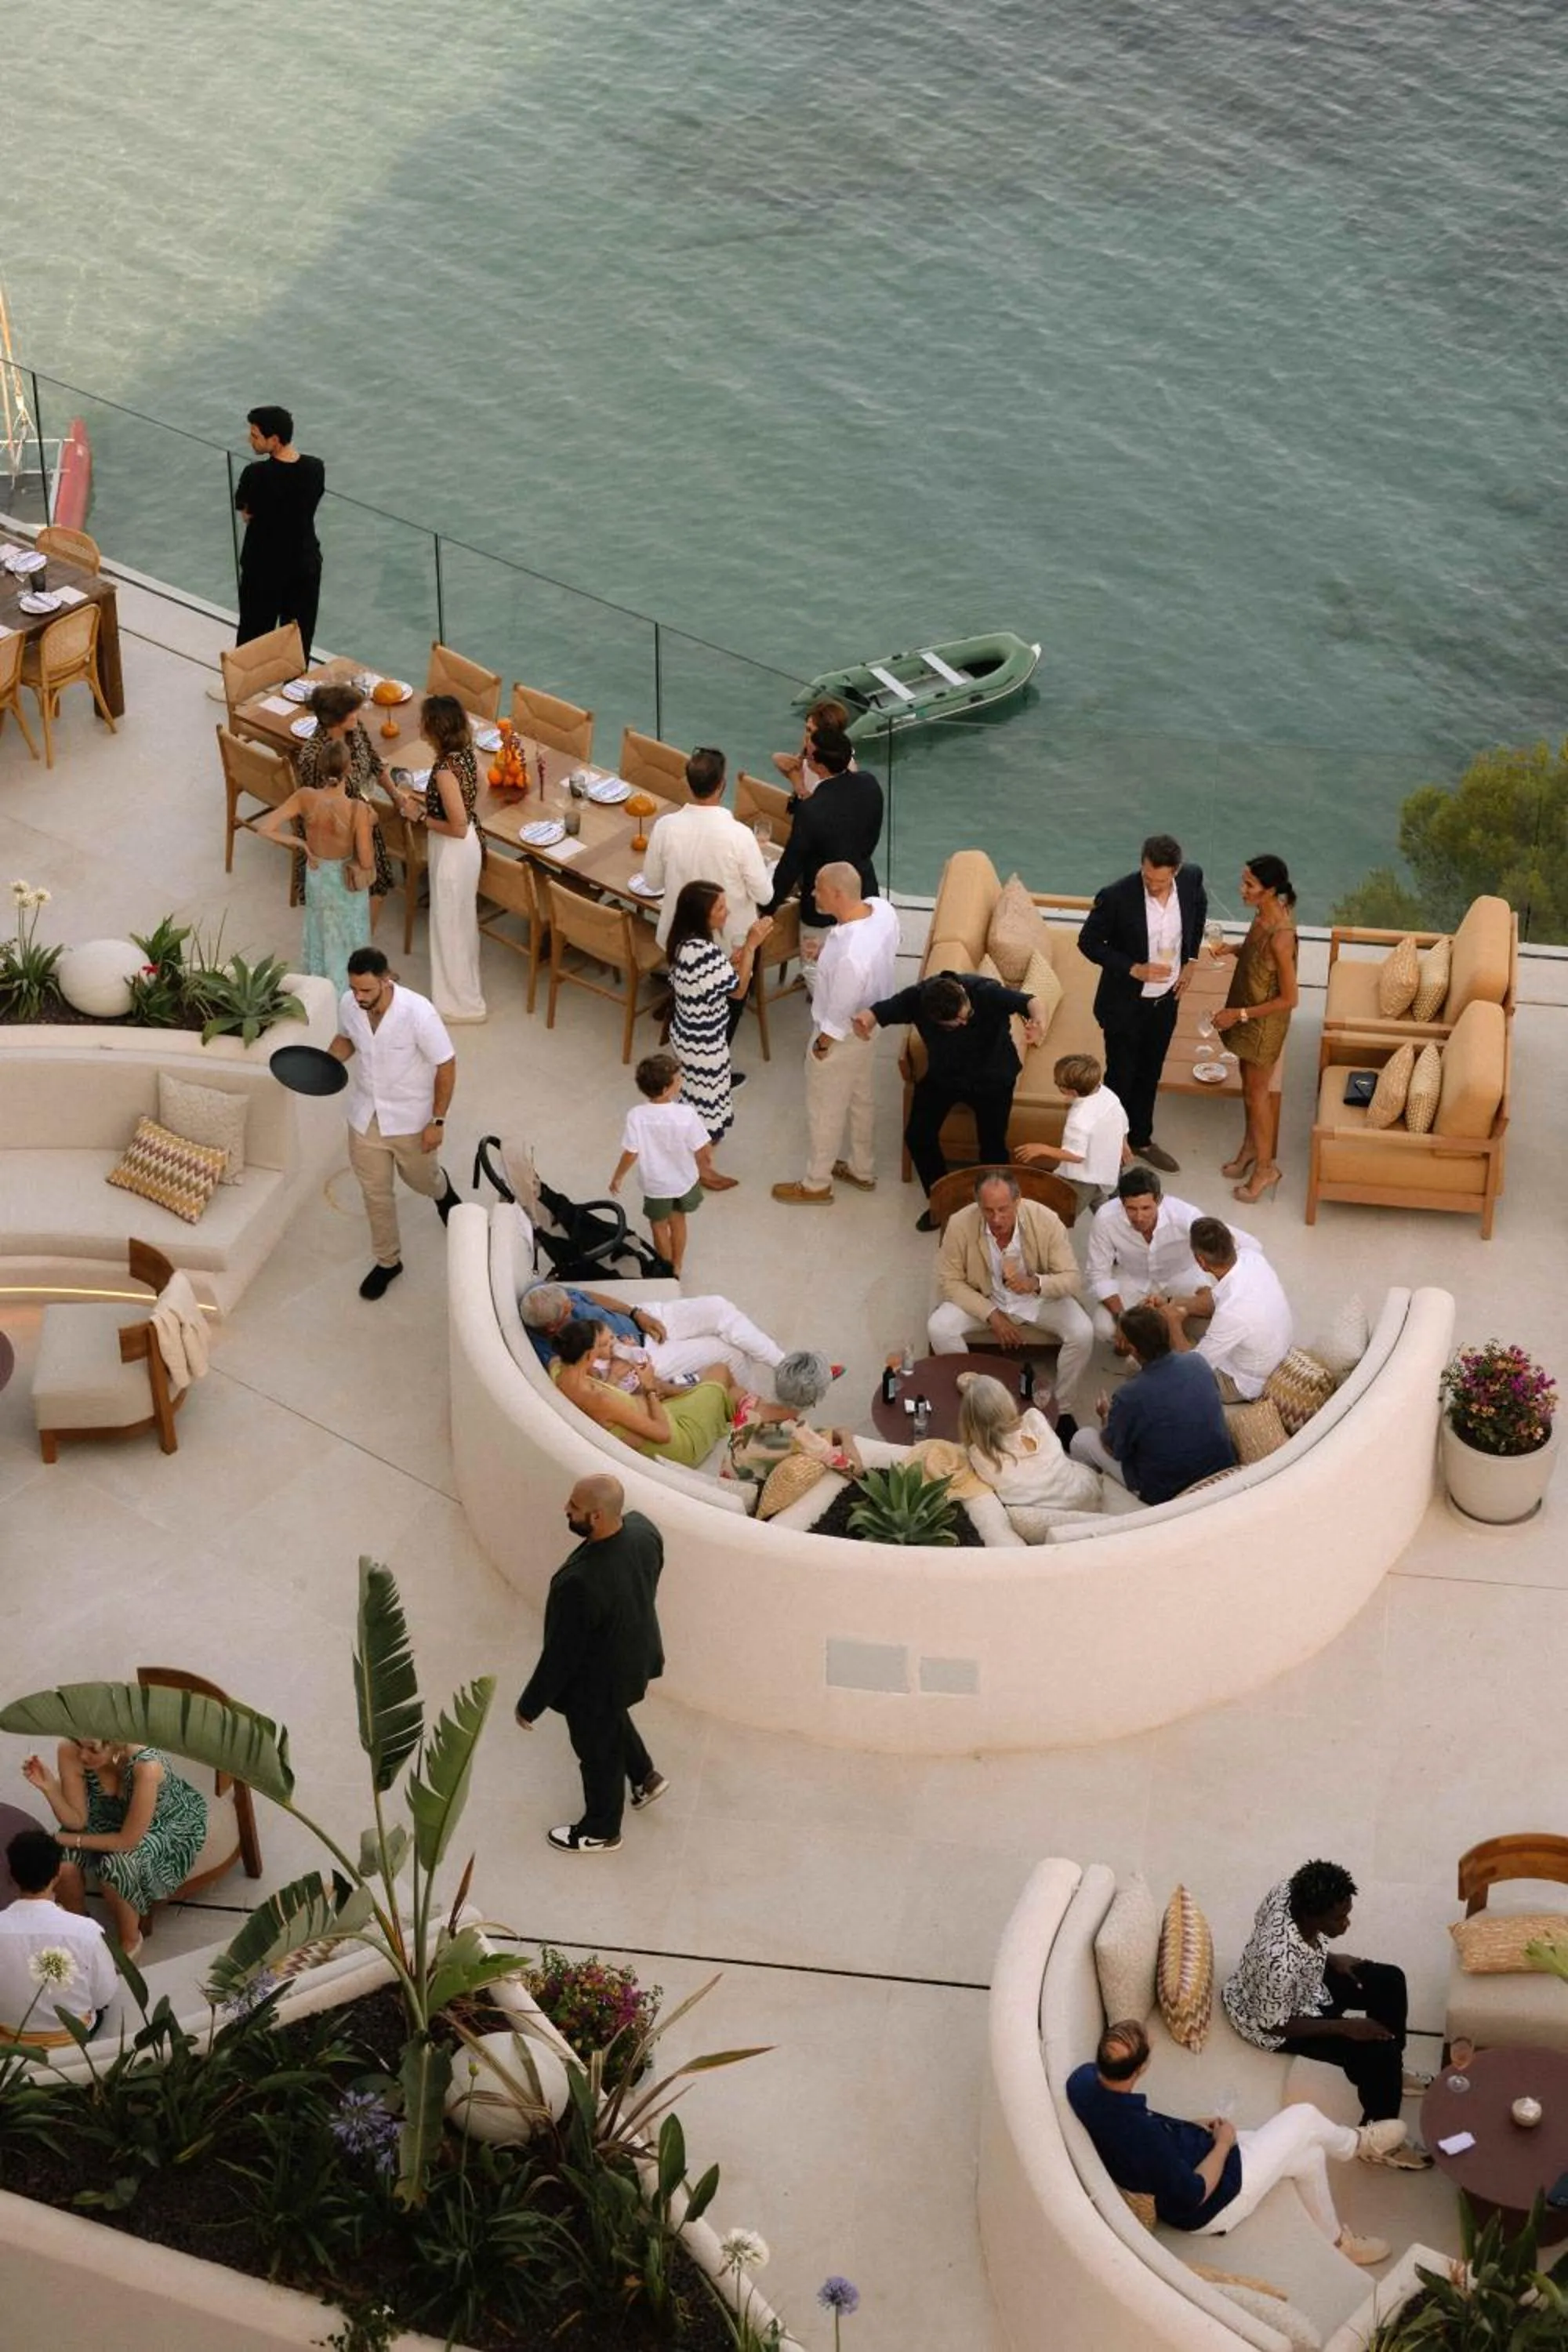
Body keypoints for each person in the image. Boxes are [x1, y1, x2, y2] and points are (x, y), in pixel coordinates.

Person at [1067, 2019, 1399, 2265]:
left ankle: (1339, 2243)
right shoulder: (1143, 2138)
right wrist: (1223, 2144)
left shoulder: (1083, 2082)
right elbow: (1193, 2193)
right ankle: (1358, 2143)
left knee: (1310, 2155)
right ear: (1140, 2069)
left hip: (1192, 2152)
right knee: (1305, 2116)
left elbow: (1145, 2125)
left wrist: (1192, 2126)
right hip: (1218, 2200)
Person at [1223, 1861, 1431, 2139]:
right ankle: (1379, 2137)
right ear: (1311, 1915)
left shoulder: (1288, 1891)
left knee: (1390, 1980)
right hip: (1277, 2022)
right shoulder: (1276, 1962)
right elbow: (1274, 2025)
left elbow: (1293, 1934)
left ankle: (1392, 2075)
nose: (1347, 1923)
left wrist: (1330, 1959)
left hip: (1305, 1984)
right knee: (1377, 2052)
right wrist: (1344, 2026)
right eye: (1338, 1918)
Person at [515, 1476, 667, 1854]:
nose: (566, 1510)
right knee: (613, 1716)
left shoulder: (580, 1582)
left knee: (598, 1753)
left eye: (574, 1507)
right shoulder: (644, 1531)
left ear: (597, 1517)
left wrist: (529, 1705)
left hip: (597, 1682)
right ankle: (645, 1778)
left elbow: (561, 1654)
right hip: (637, 1654)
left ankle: (601, 1829)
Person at [855, 970, 1053, 1230]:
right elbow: (882, 1011)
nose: (963, 1023)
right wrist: (866, 1019)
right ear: (932, 1018)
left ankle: (998, 1208)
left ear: (963, 994)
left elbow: (1031, 1002)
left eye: (966, 1015)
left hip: (992, 1079)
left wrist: (1038, 1020)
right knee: (917, 1135)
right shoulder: (917, 999)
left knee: (992, 1146)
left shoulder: (985, 992)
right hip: (945, 1077)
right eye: (954, 1023)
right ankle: (943, 1200)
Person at [328, 946, 460, 1299]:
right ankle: (389, 1261)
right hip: (365, 1117)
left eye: (367, 990)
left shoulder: (419, 1013)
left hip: (411, 1119)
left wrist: (438, 1120)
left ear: (387, 982)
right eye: (354, 989)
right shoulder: (349, 1004)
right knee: (376, 1195)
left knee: (421, 1180)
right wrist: (326, 1063)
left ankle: (443, 1191)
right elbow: (347, 1039)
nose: (359, 997)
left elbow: (446, 1065)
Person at [772, 862, 901, 1207]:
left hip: (841, 1037)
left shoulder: (849, 957)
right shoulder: (883, 911)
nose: (812, 893)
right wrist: (825, 953)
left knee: (824, 1109)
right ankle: (862, 1168)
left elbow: (838, 1013)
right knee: (861, 1097)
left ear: (838, 894)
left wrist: (821, 1045)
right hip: (871, 1027)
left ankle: (816, 1184)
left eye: (818, 887)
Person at [1078, 833, 1207, 1173]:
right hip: (1124, 1004)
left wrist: (1192, 960)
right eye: (1148, 876)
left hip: (1166, 1001)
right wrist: (1133, 968)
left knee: (1150, 1072)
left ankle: (1141, 1139)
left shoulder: (1192, 879)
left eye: (1160, 880)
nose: (1152, 884)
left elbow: (1200, 908)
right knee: (1121, 1077)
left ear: (1176, 871)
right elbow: (1088, 942)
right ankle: (1109, 1147)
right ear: (1142, 864)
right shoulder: (1116, 896)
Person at [20, 1740, 209, 1959]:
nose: (83, 1756)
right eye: (78, 1743)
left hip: (162, 1822)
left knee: (116, 1867)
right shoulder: (70, 1749)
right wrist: (51, 1788)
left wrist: (68, 1839)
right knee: (61, 1862)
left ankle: (129, 1940)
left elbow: (127, 1841)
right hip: (106, 1816)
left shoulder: (147, 1765)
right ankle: (80, 1930)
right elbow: (77, 1821)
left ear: (116, 1745)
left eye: (93, 1749)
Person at [928, 1170, 1094, 1410]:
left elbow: (1072, 1279)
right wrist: (992, 1314)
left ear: (1018, 1201)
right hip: (986, 1297)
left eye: (1003, 1209)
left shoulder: (1046, 1220)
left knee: (1083, 1333)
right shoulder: (960, 1223)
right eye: (988, 1210)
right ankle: (974, 1398)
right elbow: (950, 1281)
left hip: (1038, 1301)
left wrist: (1036, 1283)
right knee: (939, 1327)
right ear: (978, 1205)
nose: (996, 1220)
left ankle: (1063, 1409)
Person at [641, 747, 773, 1041]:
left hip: (678, 938)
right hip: (728, 944)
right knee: (732, 1003)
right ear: (722, 785)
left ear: (688, 783)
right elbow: (764, 895)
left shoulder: (666, 827)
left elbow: (651, 881)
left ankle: (681, 1010)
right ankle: (717, 1057)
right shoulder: (740, 836)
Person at [1069, 1303, 1236, 1504]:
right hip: (1220, 1470)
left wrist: (1106, 1416)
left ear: (1132, 1348)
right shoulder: (1198, 1362)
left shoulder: (1129, 1396)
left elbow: (1113, 1448)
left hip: (1166, 1490)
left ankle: (1088, 1495)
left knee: (1081, 1439)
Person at [1208, 855, 1300, 1204]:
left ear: (1270, 890)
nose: (1242, 889)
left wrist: (1239, 1014)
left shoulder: (1282, 936)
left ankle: (1265, 1168)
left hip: (1262, 1025)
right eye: (1243, 881)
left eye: (1249, 884)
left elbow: (1290, 999)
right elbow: (1256, 954)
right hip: (1248, 1012)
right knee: (1249, 1089)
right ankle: (1249, 1148)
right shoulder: (1263, 914)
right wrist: (1233, 949)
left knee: (1258, 1096)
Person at [1084, 1166, 1259, 1347]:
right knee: (1104, 1328)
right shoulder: (1105, 1218)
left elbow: (1245, 1243)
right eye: (1131, 1209)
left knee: (1212, 1325)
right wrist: (1121, 1317)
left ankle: (1165, 1336)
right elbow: (1098, 1274)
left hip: (1181, 1277)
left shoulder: (1185, 1215)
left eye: (1146, 1208)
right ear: (1121, 1202)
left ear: (1159, 1200)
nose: (1139, 1217)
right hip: (1132, 1278)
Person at [663, 882, 771, 1172]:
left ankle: (694, 1152)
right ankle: (701, 1169)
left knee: (694, 1096)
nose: (727, 912)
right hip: (705, 1045)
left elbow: (709, 979)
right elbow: (737, 992)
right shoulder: (703, 953)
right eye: (721, 908)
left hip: (686, 1034)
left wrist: (727, 963)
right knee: (707, 1106)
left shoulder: (683, 943)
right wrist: (750, 947)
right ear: (703, 915)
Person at [256, 738, 374, 996]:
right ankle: (349, 997)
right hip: (344, 883)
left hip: (318, 875)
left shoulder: (305, 797)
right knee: (346, 941)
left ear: (321, 768)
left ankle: (317, 996)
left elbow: (265, 828)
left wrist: (301, 843)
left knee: (318, 933)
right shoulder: (358, 809)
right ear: (350, 769)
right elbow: (366, 862)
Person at [395, 693, 485, 1023]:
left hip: (452, 850)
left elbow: (457, 827)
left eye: (423, 721)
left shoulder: (446, 770)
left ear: (435, 728)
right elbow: (482, 790)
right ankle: (463, 992)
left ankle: (458, 1003)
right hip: (467, 848)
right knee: (460, 920)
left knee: (449, 923)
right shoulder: (467, 756)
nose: (418, 724)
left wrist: (418, 814)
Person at [549, 1319, 748, 1467]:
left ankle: (730, 1419)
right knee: (722, 1373)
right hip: (680, 1439)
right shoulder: (599, 1399)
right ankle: (738, 1428)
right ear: (591, 1355)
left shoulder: (557, 1369)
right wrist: (649, 1386)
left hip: (662, 1413)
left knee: (731, 1395)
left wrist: (616, 1378)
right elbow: (663, 1435)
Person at [520, 1279, 789, 1387]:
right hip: (642, 1356)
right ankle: (747, 1406)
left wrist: (635, 1313)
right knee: (731, 1353)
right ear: (554, 1327)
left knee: (718, 1307)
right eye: (570, 1309)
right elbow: (587, 1383)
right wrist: (620, 1361)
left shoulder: (546, 1296)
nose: (574, 1303)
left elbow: (590, 1296)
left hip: (645, 1319)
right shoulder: (554, 1352)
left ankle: (786, 1366)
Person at [764, 720, 883, 962]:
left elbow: (791, 865)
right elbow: (872, 835)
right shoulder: (870, 784)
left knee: (817, 973)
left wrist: (767, 908)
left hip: (823, 908)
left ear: (817, 765)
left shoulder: (811, 810)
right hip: (864, 892)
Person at [610, 1051, 726, 1275]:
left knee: (658, 1225)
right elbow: (703, 1148)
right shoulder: (686, 1114)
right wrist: (706, 1165)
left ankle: (665, 1267)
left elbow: (630, 1153)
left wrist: (618, 1176)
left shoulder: (636, 1116)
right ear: (666, 1089)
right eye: (678, 1079)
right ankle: (678, 1264)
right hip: (683, 1181)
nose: (681, 1081)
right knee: (678, 1221)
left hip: (655, 1184)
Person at [0, 1828, 118, 2044]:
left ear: (11, 1874)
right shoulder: (86, 1932)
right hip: (72, 2039)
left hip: (10, 2042)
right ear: (57, 1875)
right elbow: (104, 1995)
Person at [1158, 1215, 1292, 1400]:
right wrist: (1171, 1302)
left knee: (1166, 1370)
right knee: (1184, 1316)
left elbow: (1193, 1369)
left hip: (1245, 1381)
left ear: (1201, 1261)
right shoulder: (1252, 1257)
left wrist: (1172, 1321)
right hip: (1268, 1349)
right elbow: (1213, 1302)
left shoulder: (1232, 1312)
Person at [233, 404, 325, 659]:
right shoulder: (316, 468)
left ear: (273, 439)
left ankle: (248, 689)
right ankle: (293, 691)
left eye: (255, 435)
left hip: (263, 566)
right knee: (298, 637)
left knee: (253, 631)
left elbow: (246, 511)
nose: (249, 439)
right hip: (304, 564)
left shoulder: (256, 473)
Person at [956, 1371, 1105, 1528]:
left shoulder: (979, 1456)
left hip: (1054, 1518)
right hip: (1085, 1497)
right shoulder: (1035, 1418)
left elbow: (970, 1446)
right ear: (1007, 1402)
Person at [296, 679, 396, 907]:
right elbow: (317, 811)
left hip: (362, 824)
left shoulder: (355, 730)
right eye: (353, 712)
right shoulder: (313, 757)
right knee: (342, 900)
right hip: (334, 841)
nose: (358, 715)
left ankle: (363, 942)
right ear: (336, 719)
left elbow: (374, 762)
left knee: (375, 890)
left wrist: (397, 798)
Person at [1013, 1053, 1130, 1208]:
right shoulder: (1106, 1092)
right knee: (1103, 1207)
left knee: (1065, 1213)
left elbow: (1076, 1155)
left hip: (1084, 1178)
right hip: (1107, 1168)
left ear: (1072, 1092)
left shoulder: (1078, 1118)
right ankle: (1113, 1228)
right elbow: (1121, 1119)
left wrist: (1042, 1149)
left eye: (1059, 1084)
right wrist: (1123, 1144)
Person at [770, 696, 851, 796]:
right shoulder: (809, 754)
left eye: (810, 731)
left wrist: (798, 784)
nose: (806, 736)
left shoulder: (841, 767)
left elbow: (817, 806)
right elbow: (793, 767)